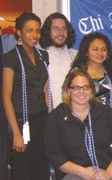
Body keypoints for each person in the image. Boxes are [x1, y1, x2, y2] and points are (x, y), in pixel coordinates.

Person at [44, 67, 112, 180]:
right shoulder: (56, 116)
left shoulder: (106, 112)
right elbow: (54, 155)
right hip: (73, 173)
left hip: (105, 171)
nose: (81, 92)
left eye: (86, 87)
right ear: (68, 90)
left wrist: (108, 173)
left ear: (92, 90)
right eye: (76, 87)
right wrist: (83, 172)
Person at [1, 12, 50, 180]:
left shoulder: (44, 56)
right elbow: (6, 96)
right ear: (19, 32)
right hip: (20, 120)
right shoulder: (11, 58)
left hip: (41, 119)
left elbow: (45, 90)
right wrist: (16, 133)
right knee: (23, 169)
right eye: (29, 30)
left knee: (41, 166)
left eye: (37, 30)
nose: (34, 35)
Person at [40, 12, 77, 108]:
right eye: (55, 29)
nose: (60, 33)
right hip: (52, 117)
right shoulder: (40, 57)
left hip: (77, 116)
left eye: (64, 29)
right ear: (48, 32)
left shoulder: (77, 56)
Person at [71, 32, 112, 109]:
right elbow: (68, 97)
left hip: (108, 117)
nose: (100, 53)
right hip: (86, 117)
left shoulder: (110, 71)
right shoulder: (77, 73)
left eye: (104, 49)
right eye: (95, 49)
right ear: (86, 52)